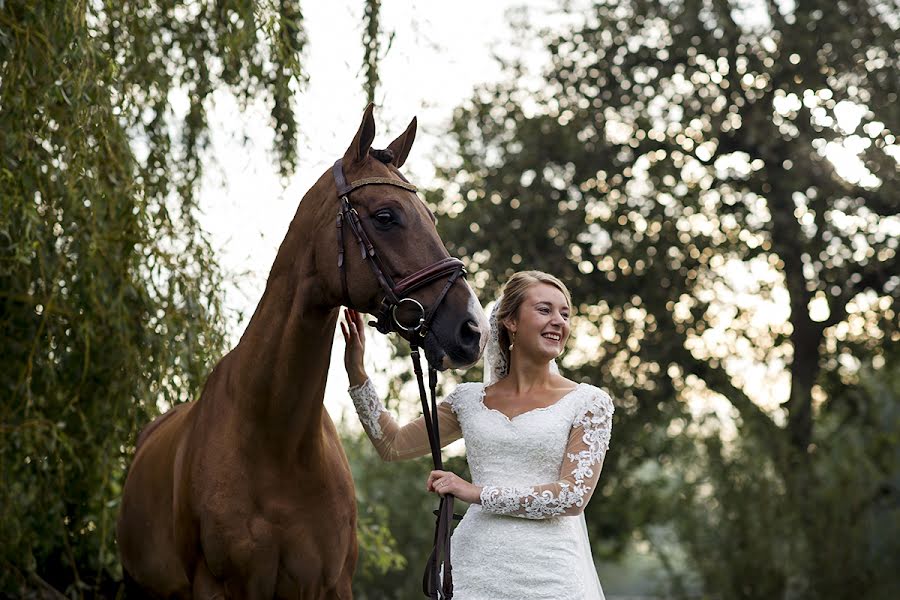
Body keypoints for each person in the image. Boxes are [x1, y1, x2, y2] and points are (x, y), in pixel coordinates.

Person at [341, 270, 614, 599]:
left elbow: (572, 498)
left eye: (565, 314)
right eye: (545, 310)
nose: (558, 321)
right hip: (473, 571)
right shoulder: (468, 400)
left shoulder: (589, 403)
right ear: (510, 321)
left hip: (551, 576)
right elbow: (392, 445)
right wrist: (357, 374)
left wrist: (473, 491)